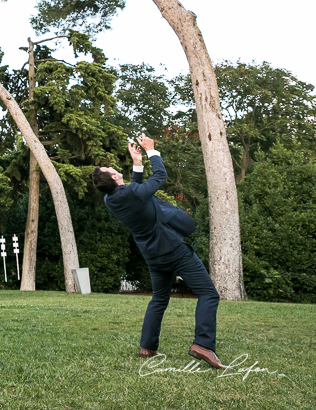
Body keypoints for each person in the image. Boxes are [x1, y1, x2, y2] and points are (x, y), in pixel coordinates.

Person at [95, 135, 228, 370]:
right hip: (173, 249)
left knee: (159, 299)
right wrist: (151, 152)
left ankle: (147, 347)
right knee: (208, 294)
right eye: (112, 169)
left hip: (152, 255)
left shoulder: (110, 199)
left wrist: (137, 163)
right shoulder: (130, 194)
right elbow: (159, 177)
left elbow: (135, 190)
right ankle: (203, 345)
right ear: (115, 177)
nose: (115, 168)